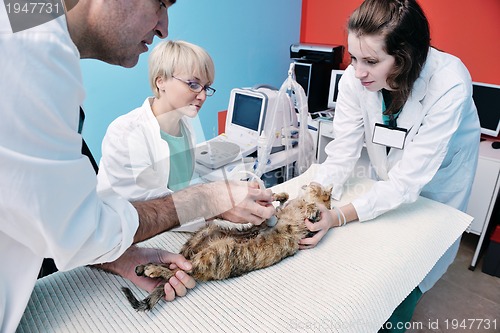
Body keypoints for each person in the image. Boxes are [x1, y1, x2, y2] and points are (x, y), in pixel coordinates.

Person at [0, 1, 275, 332]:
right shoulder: (30, 49)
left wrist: (121, 256)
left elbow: (51, 208)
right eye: (160, 3)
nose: (164, 28)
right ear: (161, 82)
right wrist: (206, 200)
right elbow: (79, 229)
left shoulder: (24, 20)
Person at [299, 0, 480, 331]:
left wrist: (338, 216)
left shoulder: (449, 82)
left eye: (370, 61)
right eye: (353, 58)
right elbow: (342, 152)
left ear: (405, 58)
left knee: (410, 271)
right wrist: (312, 198)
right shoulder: (356, 80)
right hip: (394, 173)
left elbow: (406, 183)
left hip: (439, 181)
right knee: (377, 249)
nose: (357, 71)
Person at [97, 40, 215, 199]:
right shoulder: (126, 133)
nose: (202, 96)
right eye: (193, 84)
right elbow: (148, 206)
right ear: (161, 81)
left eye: (206, 87)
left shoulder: (186, 123)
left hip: (179, 219)